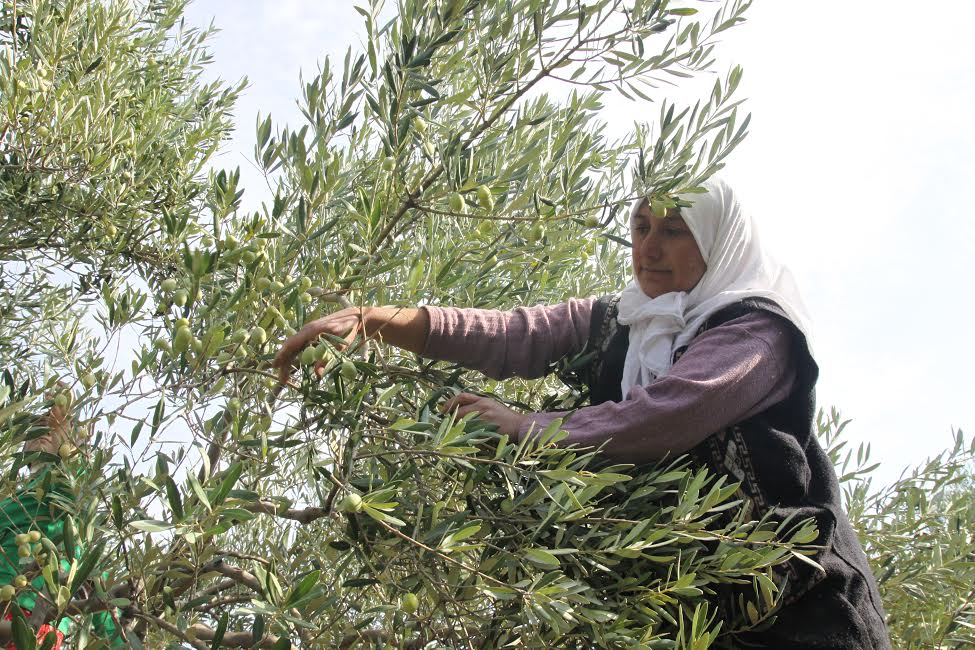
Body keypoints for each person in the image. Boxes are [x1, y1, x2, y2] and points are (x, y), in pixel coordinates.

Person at [274, 178, 891, 648]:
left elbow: (666, 416)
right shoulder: (626, 319)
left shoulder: (757, 331)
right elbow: (514, 334)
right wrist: (376, 321)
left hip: (803, 611)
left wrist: (530, 429)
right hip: (694, 617)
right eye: (640, 227)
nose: (650, 247)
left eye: (675, 231)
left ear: (718, 238)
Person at [0, 387, 125, 648]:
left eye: (51, 428)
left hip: (39, 617)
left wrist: (64, 439)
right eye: (37, 430)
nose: (45, 434)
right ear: (23, 451)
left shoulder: (72, 492)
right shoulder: (11, 505)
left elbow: (80, 492)